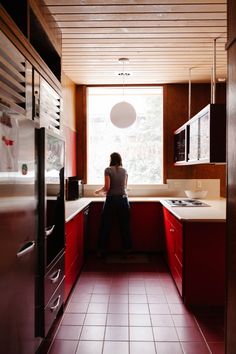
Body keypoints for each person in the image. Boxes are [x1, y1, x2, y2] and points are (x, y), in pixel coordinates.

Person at [95, 152, 132, 257]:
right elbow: (124, 186)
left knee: (106, 225)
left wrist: (97, 192)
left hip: (111, 200)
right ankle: (127, 250)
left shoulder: (108, 170)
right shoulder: (125, 170)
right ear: (120, 159)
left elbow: (107, 188)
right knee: (125, 226)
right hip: (123, 200)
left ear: (111, 159)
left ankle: (101, 250)